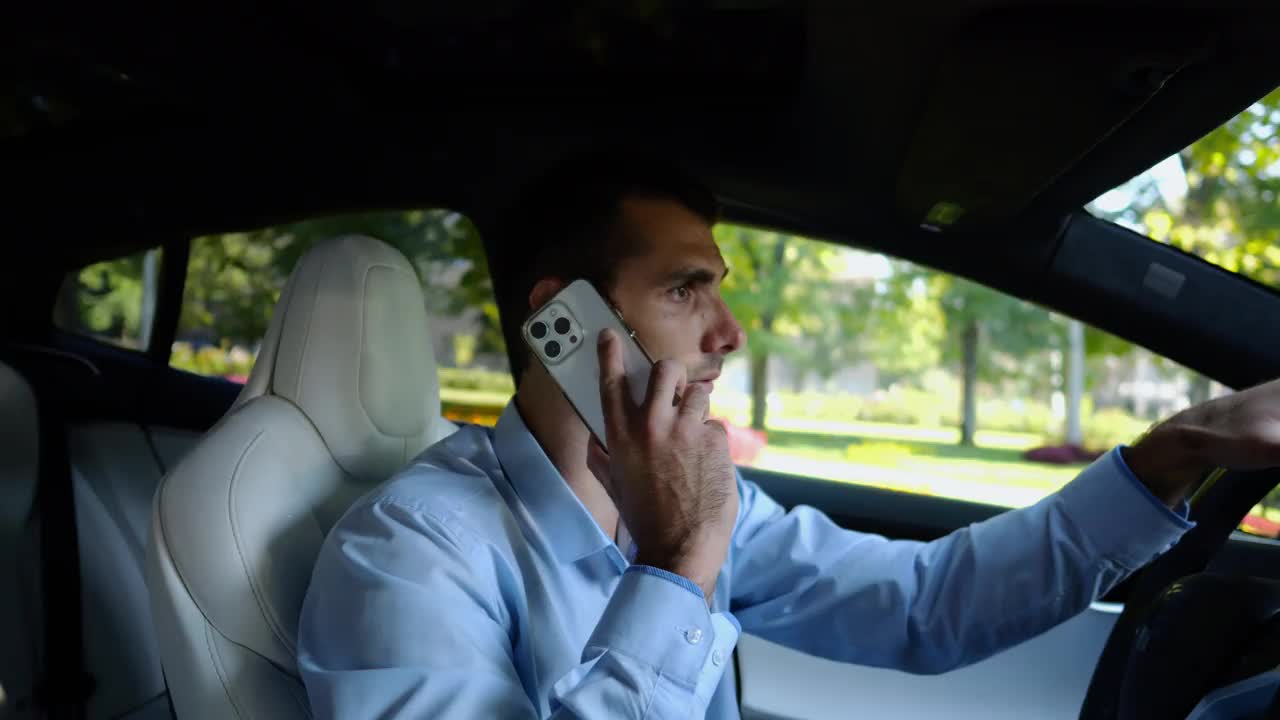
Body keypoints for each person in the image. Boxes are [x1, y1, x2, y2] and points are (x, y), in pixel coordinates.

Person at [296, 150, 1280, 719]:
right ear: (568, 324)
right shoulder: (410, 552)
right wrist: (677, 573)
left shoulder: (704, 502)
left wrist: (1181, 445)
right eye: (686, 291)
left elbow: (924, 606)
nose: (727, 336)